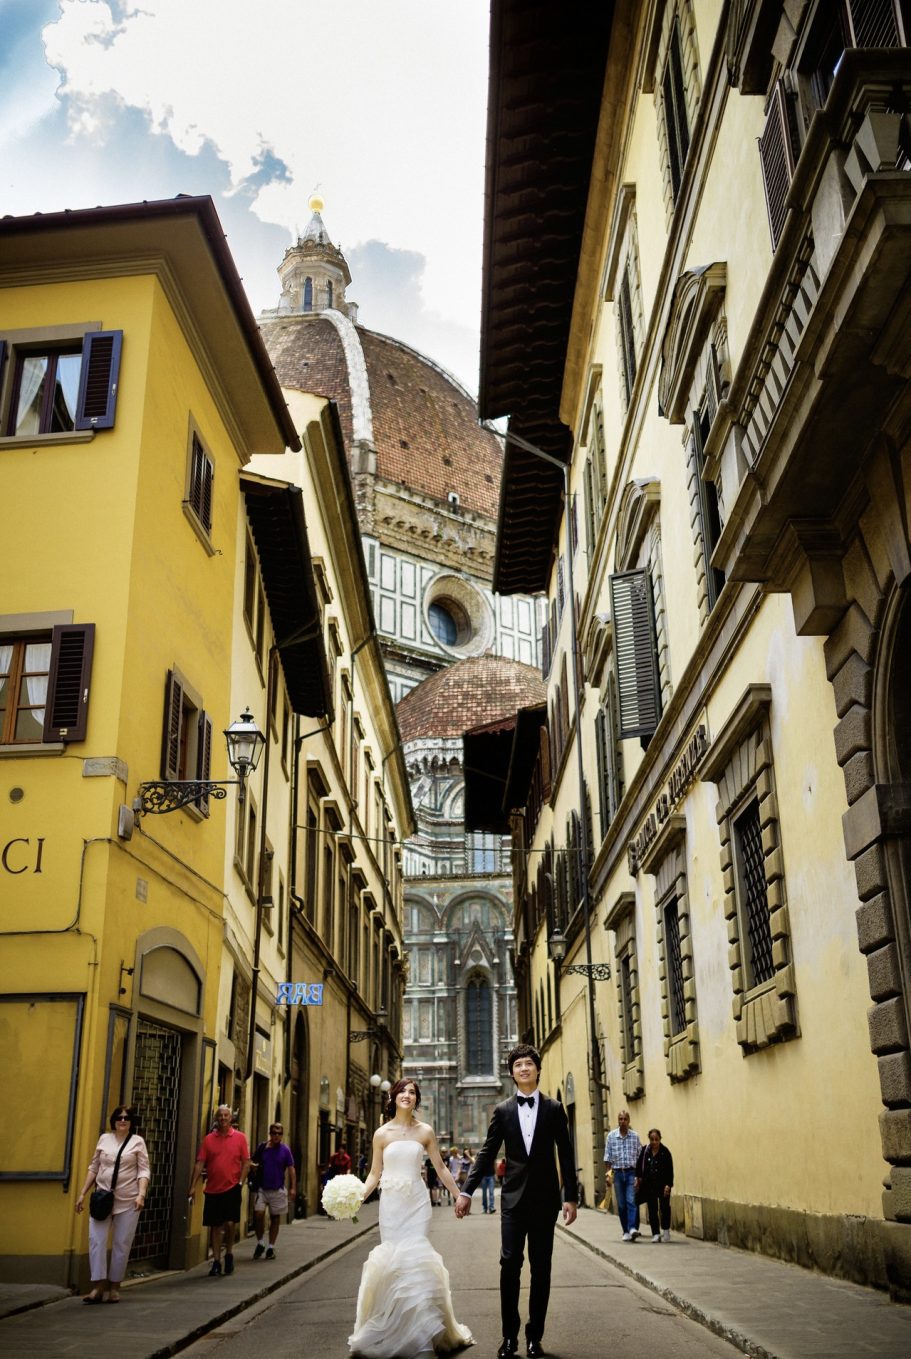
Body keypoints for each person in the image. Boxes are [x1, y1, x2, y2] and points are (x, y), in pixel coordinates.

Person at [456, 1043, 577, 1359]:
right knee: (509, 1264)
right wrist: (467, 1191)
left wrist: (571, 1198)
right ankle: (509, 1337)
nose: (524, 1068)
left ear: (537, 1069)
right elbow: (487, 1152)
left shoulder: (553, 1109)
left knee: (542, 1268)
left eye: (529, 1064)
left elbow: (565, 1153)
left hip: (545, 1200)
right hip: (512, 1200)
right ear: (512, 1073)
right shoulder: (504, 1110)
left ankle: (534, 1337)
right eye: (518, 1065)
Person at [348, 1078, 473, 1358]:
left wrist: (458, 1195)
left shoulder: (425, 1131)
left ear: (416, 1100)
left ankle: (420, 1334)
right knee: (394, 1263)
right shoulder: (381, 1134)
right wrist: (358, 1196)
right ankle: (395, 1330)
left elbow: (440, 1168)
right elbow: (374, 1174)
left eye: (413, 1092)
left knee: (415, 1259)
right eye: (403, 1091)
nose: (407, 1095)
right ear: (394, 1097)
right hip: (391, 1205)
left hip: (417, 1203)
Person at [75, 1105, 150, 1304]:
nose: (123, 1120)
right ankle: (98, 1286)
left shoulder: (137, 1142)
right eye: (119, 1117)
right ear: (114, 1120)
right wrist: (82, 1193)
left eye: (126, 1117)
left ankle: (115, 1286)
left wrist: (141, 1194)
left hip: (128, 1200)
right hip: (102, 1199)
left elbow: (143, 1171)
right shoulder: (104, 1139)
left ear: (132, 1122)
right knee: (96, 1241)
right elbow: (94, 1166)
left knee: (121, 1243)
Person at [188, 1104, 251, 1277]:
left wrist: (240, 1183)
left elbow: (246, 1162)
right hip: (213, 1188)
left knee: (230, 1224)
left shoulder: (240, 1138)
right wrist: (193, 1185)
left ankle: (229, 1252)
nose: (223, 1118)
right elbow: (200, 1162)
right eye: (220, 1115)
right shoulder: (209, 1139)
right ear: (217, 1118)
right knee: (215, 1226)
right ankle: (216, 1261)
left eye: (226, 1115)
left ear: (231, 1118)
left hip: (232, 1187)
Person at [250, 1121, 296, 1261]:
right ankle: (260, 1242)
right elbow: (252, 1161)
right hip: (262, 1189)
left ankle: (270, 1247)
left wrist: (293, 1187)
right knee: (258, 1214)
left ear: (282, 1135)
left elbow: (291, 1169)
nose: (276, 1135)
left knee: (275, 1219)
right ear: (270, 1133)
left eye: (279, 1133)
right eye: (274, 1133)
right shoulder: (262, 1148)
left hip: (277, 1189)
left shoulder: (285, 1150)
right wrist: (254, 1167)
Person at [603, 1109, 642, 1242]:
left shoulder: (635, 1136)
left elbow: (639, 1157)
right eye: (620, 1119)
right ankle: (625, 1231)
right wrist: (608, 1176)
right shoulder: (611, 1136)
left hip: (631, 1172)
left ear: (629, 1121)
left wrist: (638, 1177)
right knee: (621, 1204)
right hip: (617, 1173)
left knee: (631, 1201)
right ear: (618, 1121)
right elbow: (607, 1159)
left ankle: (632, 1228)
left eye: (625, 1119)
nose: (623, 1122)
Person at [635, 1128, 674, 1243]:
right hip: (649, 1185)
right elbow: (639, 1166)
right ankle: (656, 1233)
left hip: (662, 1185)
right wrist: (639, 1179)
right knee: (652, 1209)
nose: (654, 1142)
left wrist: (669, 1185)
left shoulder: (665, 1152)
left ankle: (666, 1230)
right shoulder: (645, 1151)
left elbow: (670, 1170)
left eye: (656, 1139)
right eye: (652, 1139)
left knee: (664, 1208)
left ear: (660, 1139)